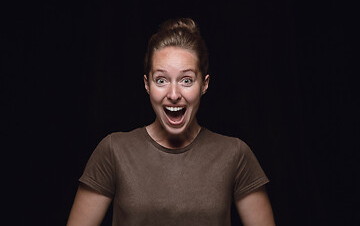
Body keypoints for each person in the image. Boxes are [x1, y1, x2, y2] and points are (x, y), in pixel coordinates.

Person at [67, 18, 275, 226]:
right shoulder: (114, 150)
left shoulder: (235, 154)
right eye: (161, 80)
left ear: (204, 84)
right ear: (147, 85)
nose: (174, 94)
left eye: (186, 80)